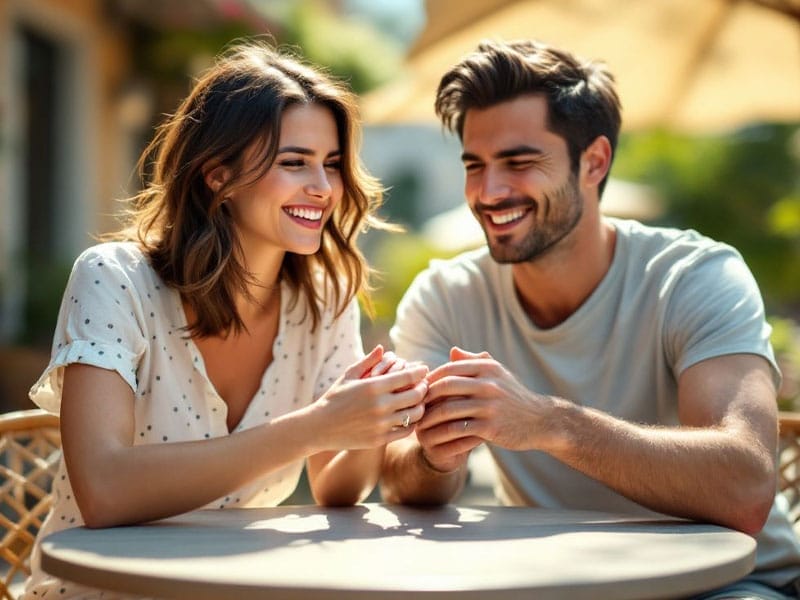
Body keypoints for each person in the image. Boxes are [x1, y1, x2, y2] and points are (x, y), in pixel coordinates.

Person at [381, 39, 800, 598]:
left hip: (731, 586)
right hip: (552, 585)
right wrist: (434, 457)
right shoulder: (445, 294)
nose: (489, 192)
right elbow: (398, 476)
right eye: (475, 166)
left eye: (520, 162)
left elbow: (744, 485)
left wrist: (548, 423)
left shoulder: (696, 276)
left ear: (594, 162)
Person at [23, 39, 427, 598]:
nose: (323, 187)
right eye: (294, 163)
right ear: (217, 175)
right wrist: (315, 426)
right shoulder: (115, 280)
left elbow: (337, 486)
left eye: (331, 164)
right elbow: (103, 491)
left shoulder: (325, 296)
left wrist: (373, 416)